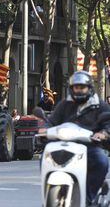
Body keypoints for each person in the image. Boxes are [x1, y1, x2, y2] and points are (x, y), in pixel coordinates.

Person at [42, 71, 110, 204]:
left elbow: (108, 123)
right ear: (71, 88)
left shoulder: (100, 106)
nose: (79, 90)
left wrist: (103, 133)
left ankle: (88, 198)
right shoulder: (64, 104)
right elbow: (52, 121)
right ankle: (47, 195)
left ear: (89, 88)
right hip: (63, 145)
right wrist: (45, 129)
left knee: (102, 161)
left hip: (90, 146)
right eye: (76, 87)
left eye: (82, 87)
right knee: (45, 158)